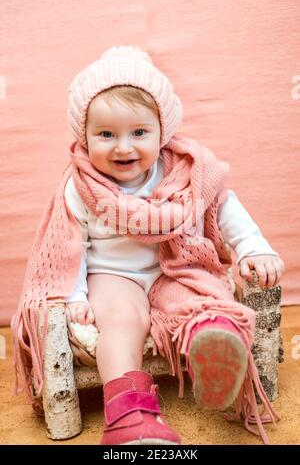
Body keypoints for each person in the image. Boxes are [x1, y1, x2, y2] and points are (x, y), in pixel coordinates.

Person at [12, 46, 285, 445]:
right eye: (106, 134)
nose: (123, 147)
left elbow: (226, 208)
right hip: (112, 275)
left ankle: (214, 351)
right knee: (122, 321)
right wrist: (75, 295)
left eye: (139, 133)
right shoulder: (81, 186)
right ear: (84, 137)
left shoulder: (186, 172)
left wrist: (253, 247)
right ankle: (129, 413)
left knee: (203, 300)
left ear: (163, 131)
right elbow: (67, 245)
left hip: (175, 266)